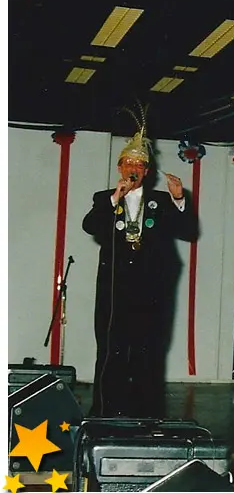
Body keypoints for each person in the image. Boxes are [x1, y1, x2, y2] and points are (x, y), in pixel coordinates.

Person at [83, 116, 198, 418]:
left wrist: (179, 199)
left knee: (148, 353)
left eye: (139, 165)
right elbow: (90, 226)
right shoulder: (105, 199)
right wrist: (115, 197)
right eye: (128, 163)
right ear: (120, 167)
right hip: (114, 291)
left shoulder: (161, 201)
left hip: (151, 292)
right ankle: (104, 412)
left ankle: (148, 415)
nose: (133, 169)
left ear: (147, 171)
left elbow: (188, 231)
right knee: (111, 350)